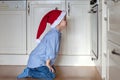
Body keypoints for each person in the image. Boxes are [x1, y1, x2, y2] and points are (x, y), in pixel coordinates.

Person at [17, 9, 67, 80]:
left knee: (53, 71)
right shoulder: (54, 34)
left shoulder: (56, 33)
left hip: (39, 60)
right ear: (58, 22)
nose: (66, 21)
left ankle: (34, 69)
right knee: (51, 76)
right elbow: (50, 50)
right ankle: (29, 72)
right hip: (38, 61)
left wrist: (49, 64)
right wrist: (48, 64)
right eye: (64, 19)